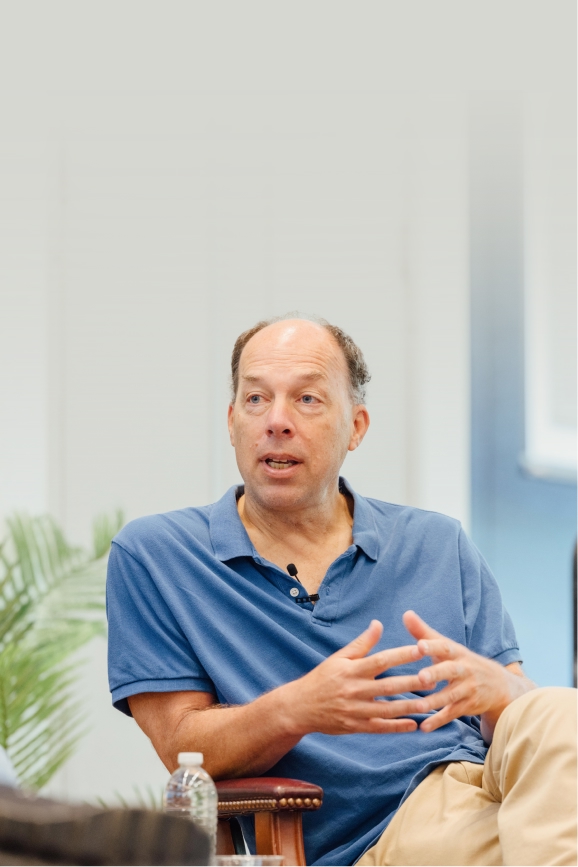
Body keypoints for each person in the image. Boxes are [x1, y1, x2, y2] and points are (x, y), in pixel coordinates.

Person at [107, 316, 577, 866]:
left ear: (356, 427)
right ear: (232, 423)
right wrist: (299, 707)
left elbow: (527, 734)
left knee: (559, 711)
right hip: (385, 836)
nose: (277, 421)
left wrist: (504, 689)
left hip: (496, 790)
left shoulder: (437, 541)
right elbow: (183, 749)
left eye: (306, 399)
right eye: (257, 399)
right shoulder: (158, 555)